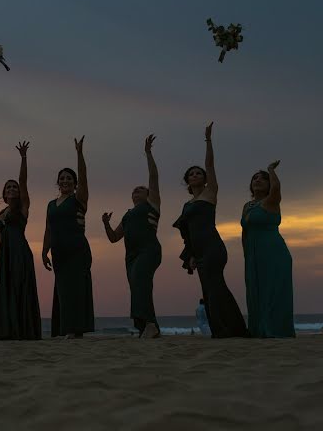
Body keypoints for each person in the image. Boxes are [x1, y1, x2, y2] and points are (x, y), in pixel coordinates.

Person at [173, 123, 248, 338]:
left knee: (214, 288)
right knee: (209, 290)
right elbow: (186, 234)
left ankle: (228, 331)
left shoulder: (210, 194)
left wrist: (208, 140)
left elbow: (210, 164)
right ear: (187, 180)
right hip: (199, 250)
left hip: (213, 247)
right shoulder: (187, 205)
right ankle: (224, 329)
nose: (196, 175)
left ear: (205, 179)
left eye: (199, 173)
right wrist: (191, 256)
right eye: (192, 174)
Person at [102, 135, 163, 339]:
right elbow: (113, 238)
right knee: (138, 288)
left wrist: (148, 153)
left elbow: (153, 177)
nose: (137, 191)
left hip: (149, 251)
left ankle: (149, 325)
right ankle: (147, 326)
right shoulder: (128, 215)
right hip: (131, 256)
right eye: (134, 190)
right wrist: (105, 224)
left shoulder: (151, 205)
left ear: (148, 194)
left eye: (141, 189)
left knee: (141, 283)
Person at [0, 141, 41, 340]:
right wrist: (3, 253)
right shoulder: (1, 212)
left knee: (19, 287)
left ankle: (21, 330)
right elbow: (0, 236)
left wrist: (23, 158)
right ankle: (3, 329)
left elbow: (23, 181)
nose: (13, 188)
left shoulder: (23, 206)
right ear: (4, 193)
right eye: (9, 187)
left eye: (14, 186)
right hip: (5, 254)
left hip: (20, 252)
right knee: (4, 287)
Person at [43, 136, 94, 338]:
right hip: (58, 252)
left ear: (75, 183)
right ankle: (67, 329)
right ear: (58, 182)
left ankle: (76, 330)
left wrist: (79, 154)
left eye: (69, 178)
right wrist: (44, 251)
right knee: (63, 291)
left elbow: (83, 175)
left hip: (77, 250)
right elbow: (48, 229)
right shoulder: (50, 204)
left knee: (77, 289)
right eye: (62, 178)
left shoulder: (79, 199)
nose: (65, 181)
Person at [242, 161, 294, 338]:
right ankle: (257, 329)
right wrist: (246, 256)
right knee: (255, 290)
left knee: (273, 290)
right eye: (255, 178)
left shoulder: (271, 201)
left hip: (274, 251)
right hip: (253, 254)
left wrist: (271, 170)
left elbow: (277, 188)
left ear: (269, 184)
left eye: (263, 179)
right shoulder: (247, 207)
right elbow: (245, 232)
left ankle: (275, 329)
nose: (258, 180)